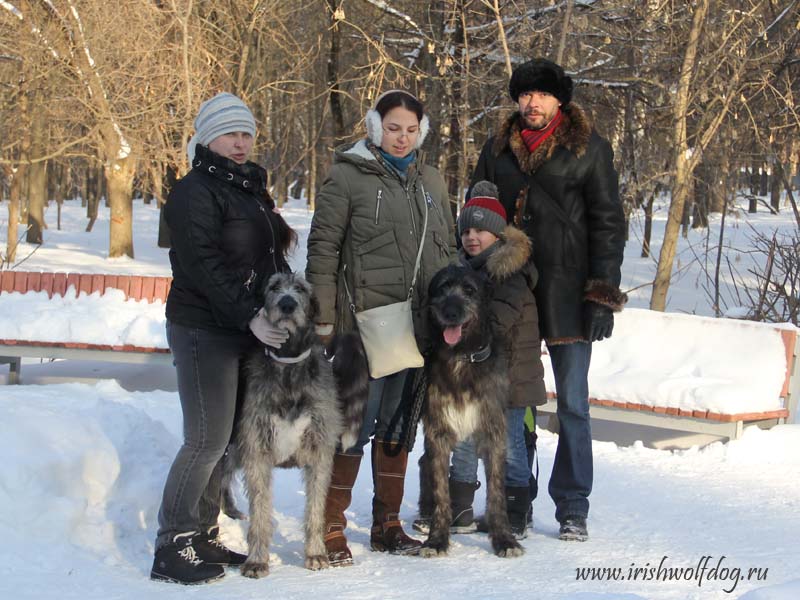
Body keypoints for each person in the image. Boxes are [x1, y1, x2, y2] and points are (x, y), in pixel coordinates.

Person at [470, 58, 627, 542]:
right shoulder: (496, 150)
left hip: (568, 294)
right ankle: (516, 498)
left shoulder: (590, 150)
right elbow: (477, 212)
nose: (532, 102)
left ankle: (573, 505)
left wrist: (601, 293)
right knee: (514, 403)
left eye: (542, 94)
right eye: (525, 94)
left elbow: (608, 224)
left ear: (560, 100)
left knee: (574, 404)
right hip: (510, 293)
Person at [306, 89, 456, 565]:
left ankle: (387, 525)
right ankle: (329, 526)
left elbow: (448, 251)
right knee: (354, 425)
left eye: (411, 130)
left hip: (418, 327)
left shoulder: (432, 180)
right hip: (363, 328)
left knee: (398, 429)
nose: (402, 138)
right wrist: (323, 318)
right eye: (393, 127)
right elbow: (323, 249)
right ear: (375, 127)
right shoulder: (347, 176)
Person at [152, 92, 297, 584]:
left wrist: (282, 303)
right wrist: (247, 315)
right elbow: (202, 266)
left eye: (247, 134)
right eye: (231, 133)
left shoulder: (249, 189)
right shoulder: (194, 191)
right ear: (207, 136)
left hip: (245, 328)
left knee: (231, 439)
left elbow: (268, 259)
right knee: (205, 439)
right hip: (202, 328)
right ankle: (171, 544)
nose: (240, 142)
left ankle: (205, 534)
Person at [413, 181, 546, 540]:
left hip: (512, 374)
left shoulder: (510, 270)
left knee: (510, 446)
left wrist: (465, 335)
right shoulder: (462, 269)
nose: (472, 237)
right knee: (466, 443)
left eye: (481, 230)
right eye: (467, 231)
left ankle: (516, 509)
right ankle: (459, 506)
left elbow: (499, 321)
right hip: (474, 369)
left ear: (498, 235)